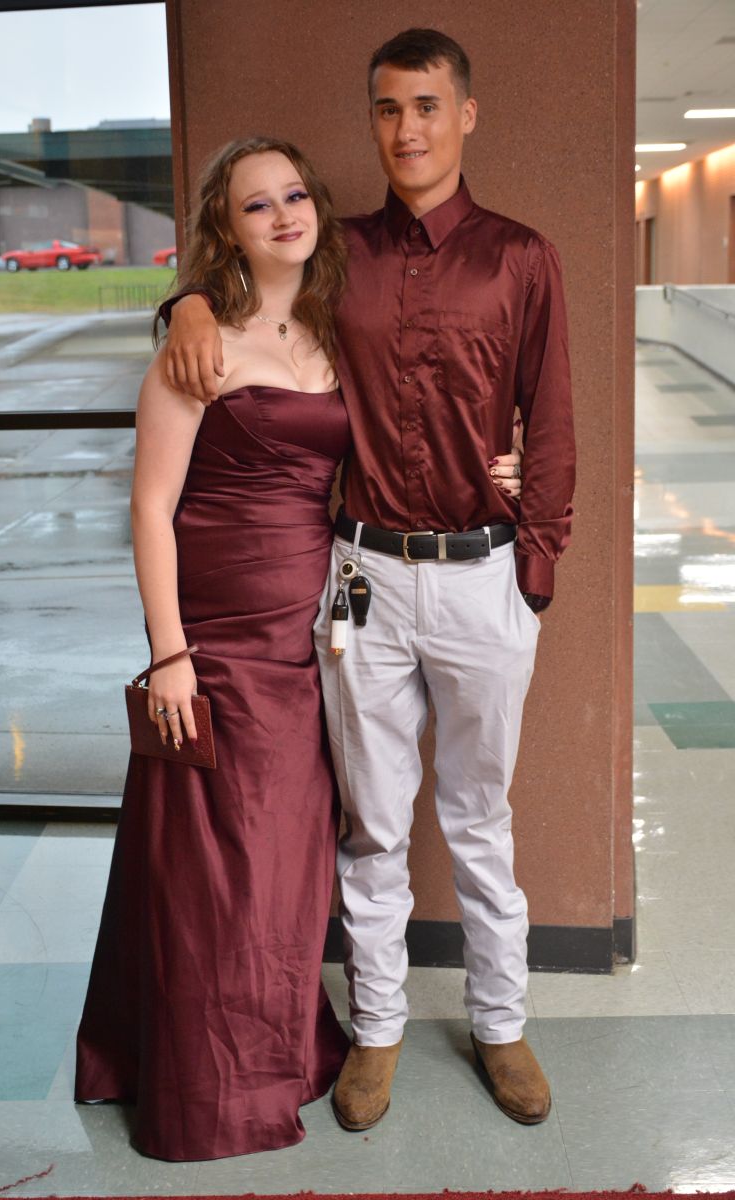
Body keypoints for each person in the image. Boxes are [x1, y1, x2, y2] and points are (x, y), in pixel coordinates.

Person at [160, 28, 575, 1132]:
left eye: (426, 106)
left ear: (464, 114)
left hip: (485, 578)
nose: (406, 129)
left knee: (479, 818)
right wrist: (186, 302)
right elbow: (242, 292)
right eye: (388, 109)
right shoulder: (336, 256)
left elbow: (553, 418)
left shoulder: (523, 257)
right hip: (361, 582)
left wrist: (533, 568)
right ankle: (378, 1032)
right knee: (373, 825)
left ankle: (501, 1025)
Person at [74, 137, 354, 1162]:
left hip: (308, 641)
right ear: (225, 231)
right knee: (213, 871)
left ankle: (277, 1050)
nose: (283, 215)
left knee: (285, 865)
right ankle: (208, 1088)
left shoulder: (335, 331)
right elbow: (150, 508)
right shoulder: (197, 346)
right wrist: (170, 655)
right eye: (255, 205)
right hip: (218, 640)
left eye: (294, 194)